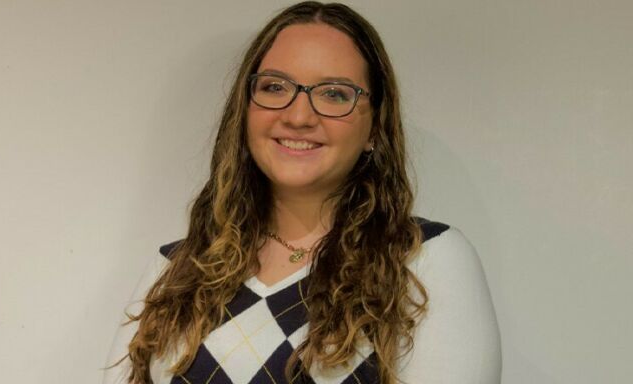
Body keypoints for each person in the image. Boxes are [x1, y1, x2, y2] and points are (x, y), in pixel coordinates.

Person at [104, 2, 501, 383]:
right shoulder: (174, 268)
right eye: (276, 86)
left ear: (376, 128)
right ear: (245, 109)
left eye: (334, 93)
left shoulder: (426, 260)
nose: (298, 116)